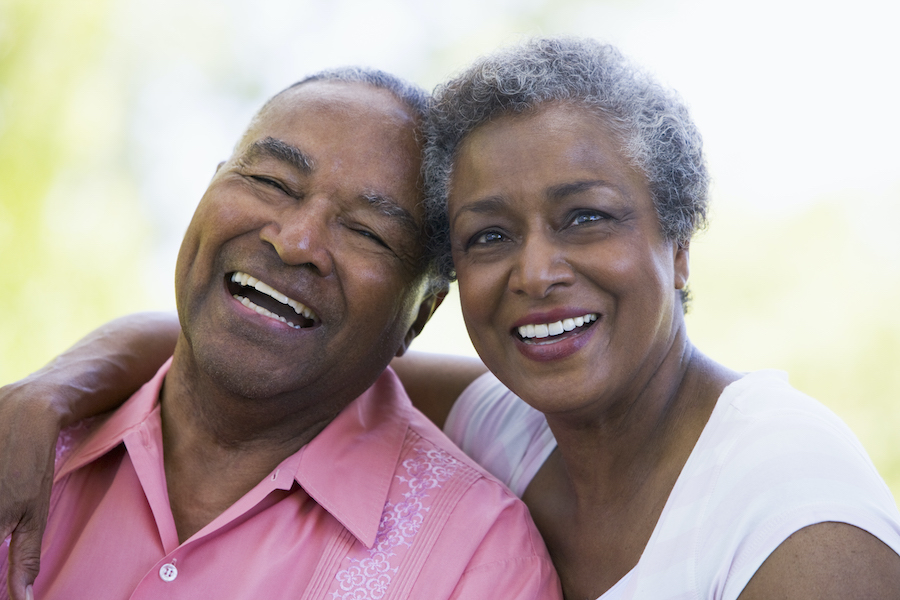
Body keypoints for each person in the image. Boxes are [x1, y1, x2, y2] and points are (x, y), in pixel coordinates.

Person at [4, 37, 900, 599]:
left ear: (680, 243)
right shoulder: (508, 420)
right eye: (488, 235)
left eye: (587, 216)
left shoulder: (794, 504)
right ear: (444, 299)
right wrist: (47, 392)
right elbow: (268, 343)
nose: (537, 271)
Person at [0, 67, 561, 600]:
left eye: (367, 230)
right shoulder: (27, 446)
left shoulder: (476, 561)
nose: (296, 242)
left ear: (419, 316)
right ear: (210, 187)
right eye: (271, 181)